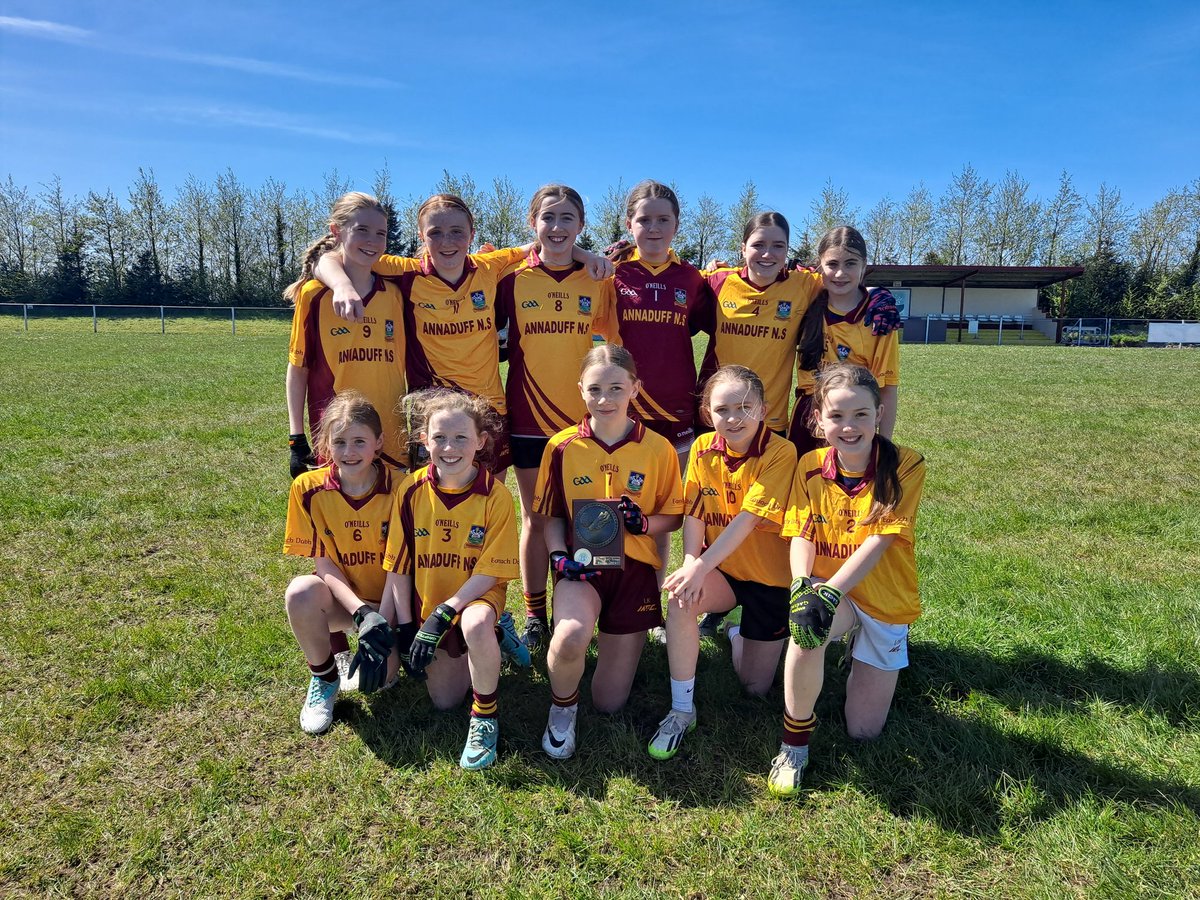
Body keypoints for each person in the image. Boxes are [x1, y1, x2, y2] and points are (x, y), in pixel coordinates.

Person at [313, 194, 612, 475]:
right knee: (435, 499)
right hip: (434, 410)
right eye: (435, 233)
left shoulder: (488, 266)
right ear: (421, 236)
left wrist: (587, 256)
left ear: (472, 234)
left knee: (488, 497)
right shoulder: (408, 272)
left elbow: (545, 243)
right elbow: (330, 256)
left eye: (457, 232)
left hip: (489, 407)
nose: (447, 242)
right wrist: (341, 285)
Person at [769, 364, 925, 796]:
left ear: (879, 415)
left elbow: (879, 541)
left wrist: (829, 592)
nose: (849, 426)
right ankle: (794, 744)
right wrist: (803, 586)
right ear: (818, 420)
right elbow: (801, 533)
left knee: (863, 732)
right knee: (807, 630)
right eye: (837, 416)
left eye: (861, 414)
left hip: (883, 597)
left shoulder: (906, 464)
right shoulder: (809, 464)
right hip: (831, 588)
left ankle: (864, 648)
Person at [532, 344, 684, 759]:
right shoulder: (561, 446)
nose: (605, 399)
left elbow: (674, 516)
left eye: (616, 388)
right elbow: (552, 517)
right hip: (581, 569)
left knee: (609, 701)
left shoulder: (658, 448)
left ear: (635, 388)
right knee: (569, 637)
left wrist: (644, 524)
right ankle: (562, 708)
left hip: (634, 571)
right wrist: (558, 556)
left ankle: (612, 645)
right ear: (580, 389)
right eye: (595, 389)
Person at [648, 366, 797, 759]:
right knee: (680, 599)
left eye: (745, 407)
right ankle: (682, 710)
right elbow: (695, 512)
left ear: (764, 409)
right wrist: (691, 563)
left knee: (754, 688)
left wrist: (699, 566)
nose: (733, 418)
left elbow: (746, 521)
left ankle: (734, 632)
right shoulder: (702, 448)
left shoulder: (781, 452)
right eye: (722, 409)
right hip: (724, 572)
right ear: (707, 413)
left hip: (771, 581)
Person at [494, 184, 617, 653]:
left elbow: (612, 341)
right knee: (536, 517)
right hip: (529, 418)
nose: (558, 227)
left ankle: (596, 607)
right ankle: (534, 614)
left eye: (568, 218)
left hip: (585, 420)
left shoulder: (597, 278)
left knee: (591, 512)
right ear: (533, 223)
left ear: (581, 225)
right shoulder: (511, 280)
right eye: (548, 217)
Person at [380, 388, 529, 770]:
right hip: (430, 607)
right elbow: (398, 566)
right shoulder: (409, 490)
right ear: (423, 440)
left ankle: (485, 716)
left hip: (476, 597)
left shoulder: (495, 495)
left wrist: (445, 612)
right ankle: (497, 637)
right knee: (444, 701)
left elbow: (490, 571)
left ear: (480, 441)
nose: (450, 447)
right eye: (440, 437)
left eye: (461, 437)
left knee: (476, 623)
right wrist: (406, 627)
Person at [282, 392, 406, 735]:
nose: (349, 452)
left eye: (359, 441)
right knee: (301, 592)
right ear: (325, 444)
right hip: (350, 605)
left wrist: (382, 623)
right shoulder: (308, 488)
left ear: (378, 443)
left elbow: (401, 566)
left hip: (396, 603)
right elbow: (324, 566)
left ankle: (396, 648)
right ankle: (324, 678)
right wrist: (362, 615)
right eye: (339, 442)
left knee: (382, 682)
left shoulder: (402, 487)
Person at [285, 191, 408, 473]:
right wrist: (296, 438)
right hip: (339, 438)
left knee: (393, 502)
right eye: (361, 230)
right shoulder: (314, 295)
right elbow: (298, 369)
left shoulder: (395, 293)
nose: (372, 240)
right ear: (336, 231)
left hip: (391, 437)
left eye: (381, 233)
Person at [787, 226, 902, 457]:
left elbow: (888, 388)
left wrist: (884, 444)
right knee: (804, 479)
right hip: (807, 416)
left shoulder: (878, 319)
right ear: (820, 265)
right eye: (832, 264)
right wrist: (713, 267)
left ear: (864, 265)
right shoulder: (806, 296)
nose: (840, 273)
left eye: (850, 263)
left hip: (853, 419)